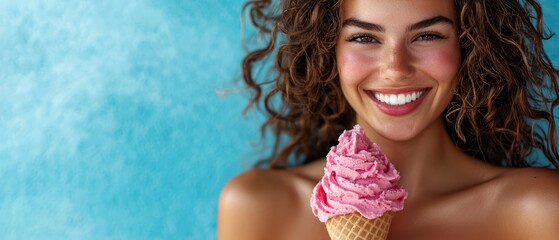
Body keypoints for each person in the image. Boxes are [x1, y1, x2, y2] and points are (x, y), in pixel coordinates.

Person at [218, 0, 559, 239]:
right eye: (364, 38)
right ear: (327, 50)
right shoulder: (256, 207)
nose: (396, 68)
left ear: (470, 46)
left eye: (428, 35)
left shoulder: (538, 211)